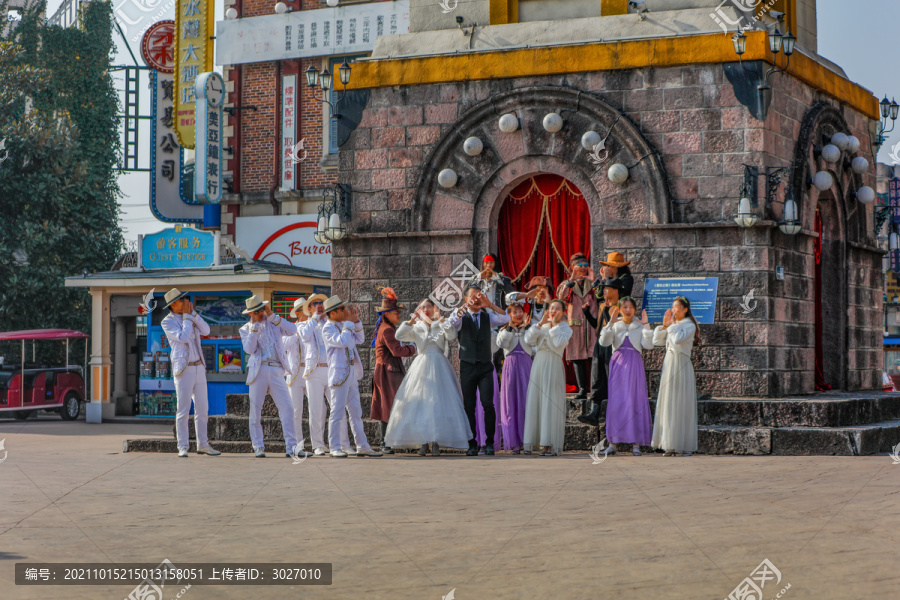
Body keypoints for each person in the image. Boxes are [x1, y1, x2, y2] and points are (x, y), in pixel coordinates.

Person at [384, 299, 472, 455]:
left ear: (434, 308)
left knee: (438, 404)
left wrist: (441, 319)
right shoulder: (417, 327)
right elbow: (399, 335)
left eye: (428, 307)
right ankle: (423, 442)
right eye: (422, 307)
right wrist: (411, 320)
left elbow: (452, 335)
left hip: (440, 365)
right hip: (422, 364)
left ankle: (436, 442)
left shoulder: (440, 324)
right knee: (421, 403)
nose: (426, 309)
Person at [447, 285, 510, 456]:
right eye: (473, 297)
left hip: (485, 366)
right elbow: (451, 322)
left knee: (488, 404)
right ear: (466, 300)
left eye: (479, 296)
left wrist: (489, 304)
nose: (476, 299)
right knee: (469, 406)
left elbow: (506, 317)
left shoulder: (487, 316)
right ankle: (471, 443)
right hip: (467, 366)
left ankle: (489, 442)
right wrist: (464, 307)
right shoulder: (461, 317)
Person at [161, 288, 220, 458]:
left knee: (203, 408)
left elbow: (207, 330)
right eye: (182, 299)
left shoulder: (190, 316)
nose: (186, 301)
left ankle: (203, 444)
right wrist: (187, 317)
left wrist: (193, 314)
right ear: (173, 304)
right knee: (183, 409)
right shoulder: (167, 322)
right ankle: (183, 446)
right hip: (183, 369)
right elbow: (184, 337)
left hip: (199, 366)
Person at [321, 295, 382, 457]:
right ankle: (334, 446)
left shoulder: (344, 325)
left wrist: (356, 322)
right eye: (342, 309)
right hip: (339, 373)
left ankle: (362, 445)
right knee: (337, 412)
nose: (345, 311)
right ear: (333, 313)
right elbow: (341, 341)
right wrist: (349, 323)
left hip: (351, 373)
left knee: (356, 411)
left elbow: (360, 339)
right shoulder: (327, 328)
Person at [239, 295, 300, 458]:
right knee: (255, 410)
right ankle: (258, 446)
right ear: (250, 314)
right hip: (259, 370)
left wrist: (273, 316)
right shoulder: (245, 328)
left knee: (287, 407)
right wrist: (254, 327)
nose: (261, 313)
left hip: (276, 369)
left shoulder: (274, 323)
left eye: (261, 309)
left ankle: (291, 447)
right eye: (256, 311)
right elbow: (249, 349)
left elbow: (293, 330)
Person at [597, 297, 654, 456]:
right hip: (618, 364)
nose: (628, 310)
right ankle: (612, 443)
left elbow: (648, 345)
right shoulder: (616, 325)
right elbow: (604, 342)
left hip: (635, 364)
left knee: (635, 401)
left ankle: (636, 444)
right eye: (625, 307)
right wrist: (610, 323)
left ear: (634, 309)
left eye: (631, 307)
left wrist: (646, 325)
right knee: (617, 402)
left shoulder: (638, 325)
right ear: (620, 309)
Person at [297, 293, 351, 456]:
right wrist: (314, 317)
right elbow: (305, 335)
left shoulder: (331, 324)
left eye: (321, 303)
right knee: (316, 409)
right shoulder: (304, 325)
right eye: (315, 304)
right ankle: (318, 444)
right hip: (314, 371)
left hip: (332, 369)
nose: (319, 305)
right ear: (310, 308)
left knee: (338, 407)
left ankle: (344, 444)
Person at [522, 299, 573, 456]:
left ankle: (549, 444)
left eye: (557, 309)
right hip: (538, 363)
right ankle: (534, 442)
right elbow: (528, 341)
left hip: (553, 364)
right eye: (551, 308)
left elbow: (558, 344)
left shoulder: (565, 328)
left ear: (563, 312)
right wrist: (539, 325)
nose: (553, 311)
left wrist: (554, 326)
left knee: (550, 402)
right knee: (536, 401)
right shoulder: (541, 326)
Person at [651, 296, 701, 457]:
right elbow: (657, 341)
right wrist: (664, 326)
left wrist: (671, 326)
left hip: (681, 363)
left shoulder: (689, 325)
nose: (674, 310)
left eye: (677, 307)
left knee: (682, 402)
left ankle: (685, 445)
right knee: (669, 402)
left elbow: (678, 340)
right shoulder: (675, 325)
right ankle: (669, 444)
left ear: (685, 309)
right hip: (669, 363)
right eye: (673, 307)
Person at [370, 287, 417, 454]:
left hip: (389, 371)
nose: (399, 315)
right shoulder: (388, 329)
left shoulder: (385, 327)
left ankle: (391, 441)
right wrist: (413, 348)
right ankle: (385, 443)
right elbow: (397, 351)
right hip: (388, 372)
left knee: (389, 406)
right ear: (387, 313)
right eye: (396, 312)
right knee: (388, 406)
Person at [579, 277, 625, 427]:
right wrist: (586, 313)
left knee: (611, 378)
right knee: (597, 378)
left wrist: (606, 310)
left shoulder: (622, 307)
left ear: (616, 290)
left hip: (613, 346)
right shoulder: (601, 306)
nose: (603, 291)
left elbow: (613, 327)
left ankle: (616, 415)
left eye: (606, 288)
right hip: (600, 344)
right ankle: (594, 413)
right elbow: (598, 327)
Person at [556, 252, 598, 402]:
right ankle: (581, 389)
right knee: (577, 358)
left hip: (592, 326)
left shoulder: (592, 283)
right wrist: (571, 280)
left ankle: (594, 388)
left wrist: (593, 281)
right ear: (571, 268)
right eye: (579, 265)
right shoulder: (567, 284)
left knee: (593, 357)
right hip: (575, 328)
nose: (583, 268)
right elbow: (560, 298)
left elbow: (600, 297)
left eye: (585, 265)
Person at [496, 292, 535, 454]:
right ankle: (514, 443)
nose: (518, 315)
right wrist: (511, 329)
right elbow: (501, 343)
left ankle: (528, 441)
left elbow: (534, 346)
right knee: (511, 404)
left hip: (526, 365)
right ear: (509, 315)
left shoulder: (530, 329)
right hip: (510, 366)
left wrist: (526, 329)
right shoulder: (505, 330)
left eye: (520, 312)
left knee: (526, 402)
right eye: (514, 312)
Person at [283, 296, 312, 456]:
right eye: (304, 309)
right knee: (296, 411)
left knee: (318, 408)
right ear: (299, 312)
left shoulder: (312, 328)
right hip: (295, 373)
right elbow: (283, 345)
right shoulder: (290, 329)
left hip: (310, 371)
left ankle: (318, 444)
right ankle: (297, 447)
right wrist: (297, 333)